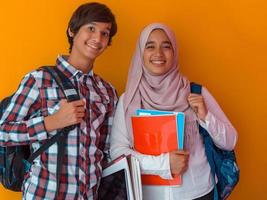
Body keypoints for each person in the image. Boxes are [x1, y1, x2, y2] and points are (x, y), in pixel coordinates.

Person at [0, 2, 118, 199]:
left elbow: (106, 152)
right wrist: (51, 122)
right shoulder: (39, 80)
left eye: (105, 33)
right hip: (42, 194)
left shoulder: (107, 92)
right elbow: (2, 132)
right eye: (91, 28)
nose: (98, 38)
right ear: (72, 31)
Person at [110, 23, 237, 200]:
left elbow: (230, 142)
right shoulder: (129, 99)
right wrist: (164, 164)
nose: (158, 53)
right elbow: (118, 152)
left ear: (174, 51)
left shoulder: (195, 92)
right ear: (141, 53)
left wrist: (206, 117)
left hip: (199, 192)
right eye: (150, 46)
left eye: (166, 46)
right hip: (149, 195)